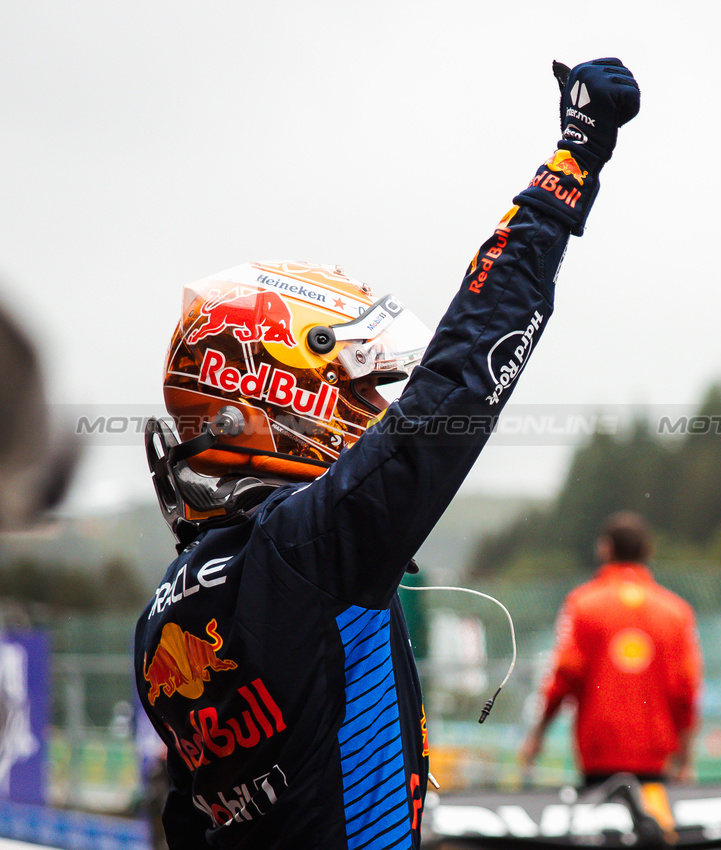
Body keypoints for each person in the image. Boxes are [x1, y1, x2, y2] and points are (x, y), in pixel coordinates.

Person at [132, 58, 640, 848]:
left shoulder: (163, 609)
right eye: (359, 389)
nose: (373, 412)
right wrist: (569, 168)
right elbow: (463, 373)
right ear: (278, 389)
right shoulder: (307, 552)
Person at [519, 511, 701, 786]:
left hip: (599, 755)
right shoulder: (676, 612)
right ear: (648, 551)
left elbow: (564, 678)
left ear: (605, 548)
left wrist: (538, 735)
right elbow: (686, 689)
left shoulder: (582, 604)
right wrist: (686, 758)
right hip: (655, 758)